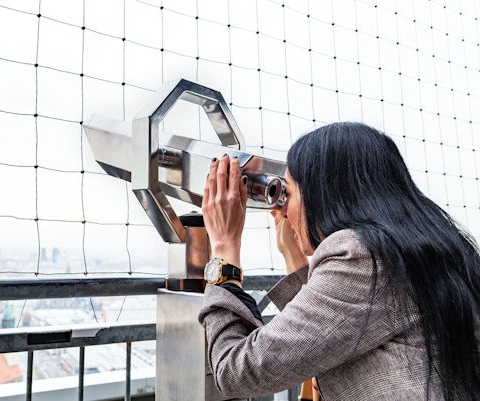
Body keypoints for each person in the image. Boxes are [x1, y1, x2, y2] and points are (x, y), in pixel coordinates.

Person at [198, 122, 480, 400]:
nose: (284, 210)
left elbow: (237, 371)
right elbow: (332, 331)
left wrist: (224, 248)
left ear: (323, 194)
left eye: (290, 193)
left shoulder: (362, 256)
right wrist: (292, 255)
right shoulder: (433, 251)